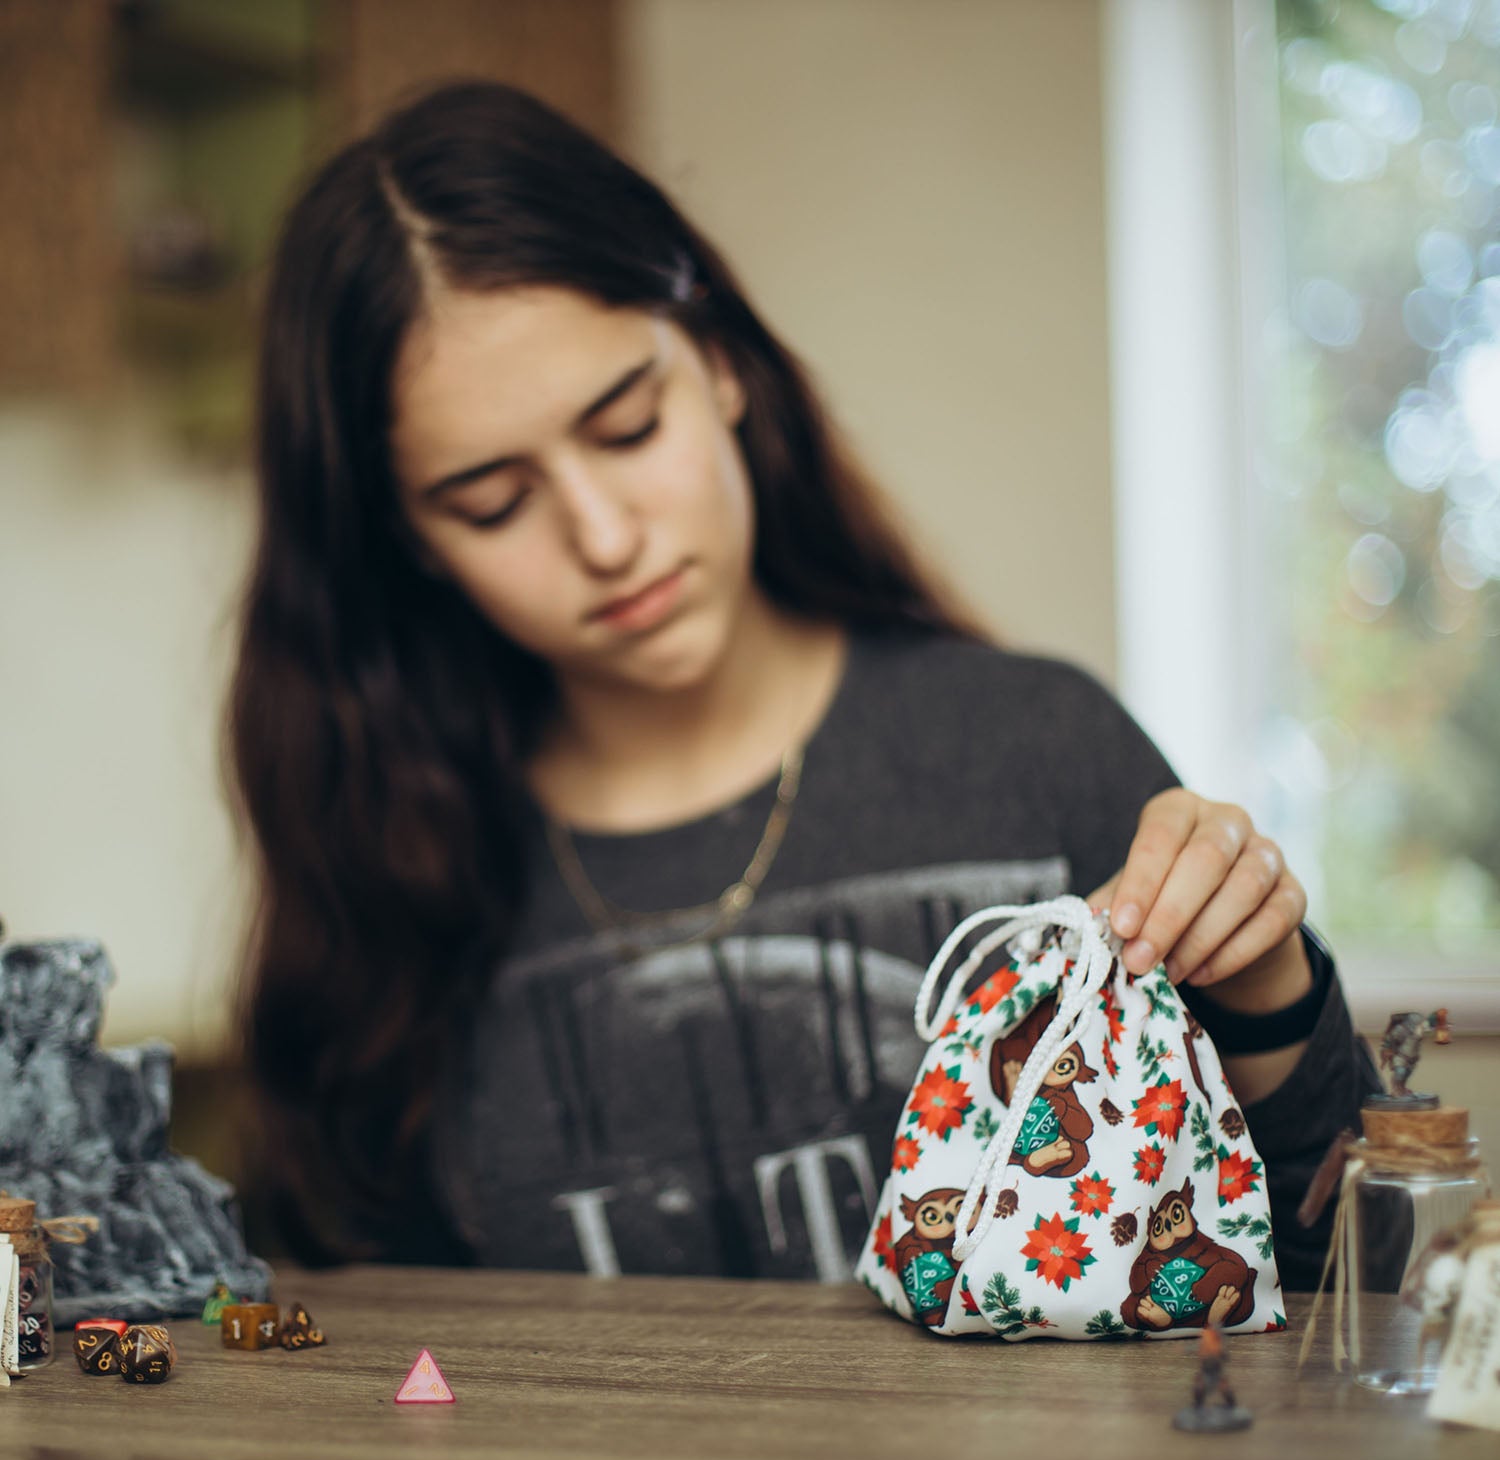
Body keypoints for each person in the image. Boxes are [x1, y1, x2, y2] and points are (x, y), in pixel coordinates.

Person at [228, 79, 1377, 1289]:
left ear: (721, 363)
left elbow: (1338, 1288)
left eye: (627, 428)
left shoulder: (1039, 751)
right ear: (410, 538)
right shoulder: (385, 884)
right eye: (493, 502)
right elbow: (369, 1369)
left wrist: (1260, 982)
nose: (604, 536)